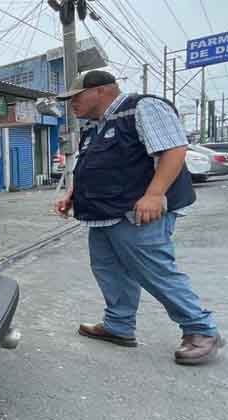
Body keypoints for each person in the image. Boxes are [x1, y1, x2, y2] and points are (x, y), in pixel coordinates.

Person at [54, 70, 221, 365]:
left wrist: (155, 194)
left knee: (154, 270)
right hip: (102, 215)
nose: (72, 105)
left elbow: (174, 149)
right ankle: (119, 325)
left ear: (101, 91)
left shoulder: (142, 108)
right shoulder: (94, 126)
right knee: (109, 270)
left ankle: (200, 328)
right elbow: (90, 164)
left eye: (76, 97)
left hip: (136, 213)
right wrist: (72, 193)